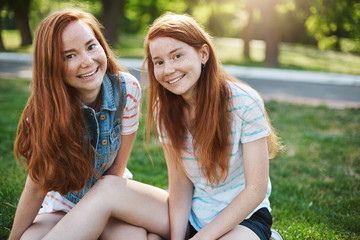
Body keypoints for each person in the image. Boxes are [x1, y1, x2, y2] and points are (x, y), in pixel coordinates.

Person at [9, 9, 169, 240]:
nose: (87, 61)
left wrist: (95, 217)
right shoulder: (43, 111)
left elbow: (116, 171)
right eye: (69, 56)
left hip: (111, 197)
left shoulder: (127, 89)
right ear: (52, 64)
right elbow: (36, 186)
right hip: (63, 203)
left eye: (91, 46)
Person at [143, 13, 282, 240]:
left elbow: (255, 191)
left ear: (203, 54)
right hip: (195, 216)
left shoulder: (244, 102)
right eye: (158, 62)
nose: (167, 69)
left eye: (177, 56)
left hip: (244, 218)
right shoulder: (163, 110)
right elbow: (179, 183)